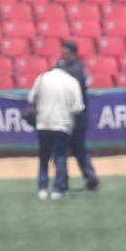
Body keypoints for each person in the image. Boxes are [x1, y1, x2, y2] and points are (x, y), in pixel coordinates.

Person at [27, 57, 83, 200]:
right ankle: (58, 190)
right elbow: (78, 107)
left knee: (44, 157)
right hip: (62, 123)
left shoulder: (42, 78)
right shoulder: (71, 81)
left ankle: (43, 189)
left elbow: (31, 98)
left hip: (43, 122)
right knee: (60, 156)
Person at [57, 41, 100, 191]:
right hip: (63, 115)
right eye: (62, 53)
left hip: (78, 114)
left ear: (74, 54)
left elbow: (79, 85)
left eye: (66, 53)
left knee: (78, 149)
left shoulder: (79, 68)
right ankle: (63, 182)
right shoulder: (60, 65)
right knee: (62, 149)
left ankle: (91, 179)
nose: (63, 56)